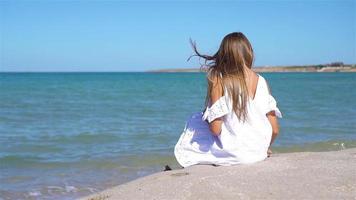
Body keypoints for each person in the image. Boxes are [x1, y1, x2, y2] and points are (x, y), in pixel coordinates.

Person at [174, 32, 282, 168]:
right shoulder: (262, 81)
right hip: (258, 152)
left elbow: (215, 129)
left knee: (196, 120)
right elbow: (275, 129)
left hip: (235, 154)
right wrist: (262, 148)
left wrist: (207, 118)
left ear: (223, 54)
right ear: (249, 53)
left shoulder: (218, 79)